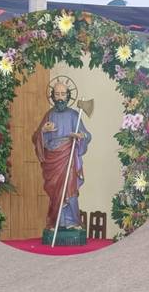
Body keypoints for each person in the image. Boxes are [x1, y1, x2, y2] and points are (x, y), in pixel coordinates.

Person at [32, 82, 92, 231]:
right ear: (52, 96)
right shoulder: (49, 115)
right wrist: (43, 131)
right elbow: (35, 137)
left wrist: (80, 136)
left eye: (63, 94)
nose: (60, 98)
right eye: (57, 94)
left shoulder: (73, 115)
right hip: (52, 159)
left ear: (68, 96)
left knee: (70, 189)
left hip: (68, 157)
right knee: (55, 191)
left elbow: (87, 135)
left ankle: (72, 222)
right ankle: (56, 222)